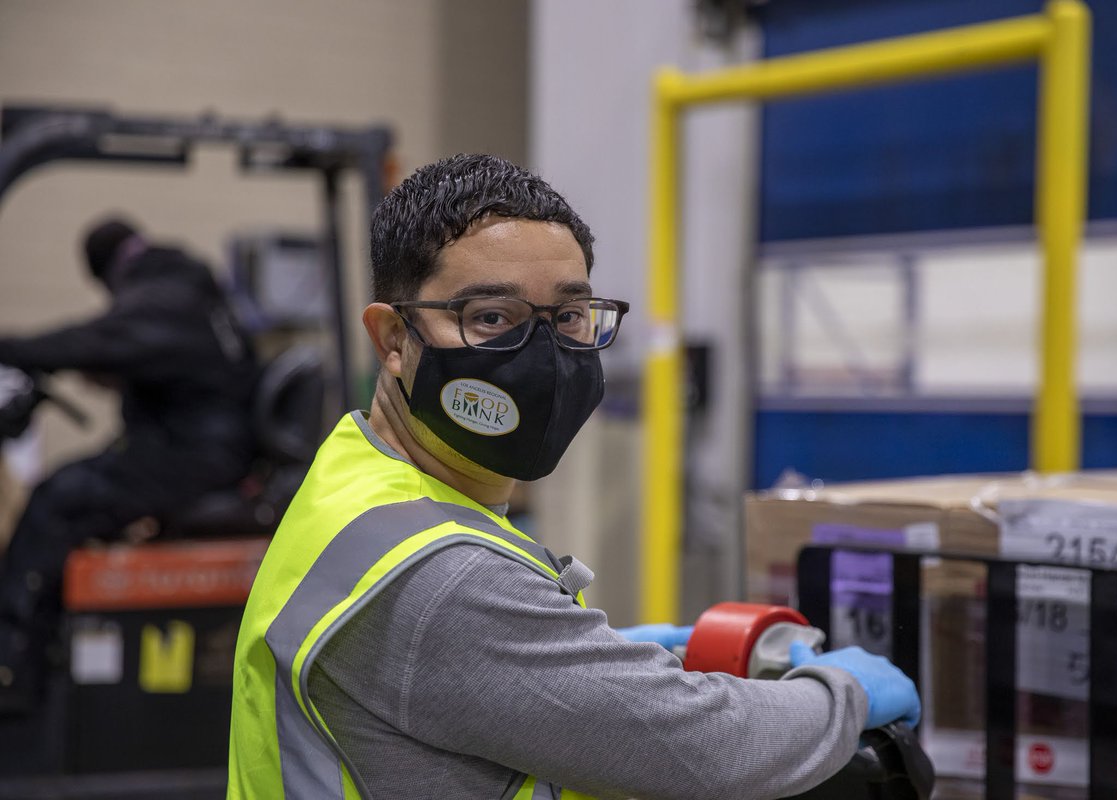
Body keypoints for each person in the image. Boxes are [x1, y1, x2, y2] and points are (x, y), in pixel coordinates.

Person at [228, 154, 921, 800]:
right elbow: (710, 752)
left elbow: (440, 676)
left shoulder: (354, 477)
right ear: (393, 342)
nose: (541, 355)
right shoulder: (443, 582)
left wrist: (590, 660)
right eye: (490, 317)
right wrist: (842, 691)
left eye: (567, 316)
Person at [0, 218, 258, 709]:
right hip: (202, 448)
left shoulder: (163, 295)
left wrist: (12, 348)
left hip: (198, 458)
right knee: (76, 484)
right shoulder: (185, 286)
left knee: (58, 499)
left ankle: (14, 675)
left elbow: (97, 340)